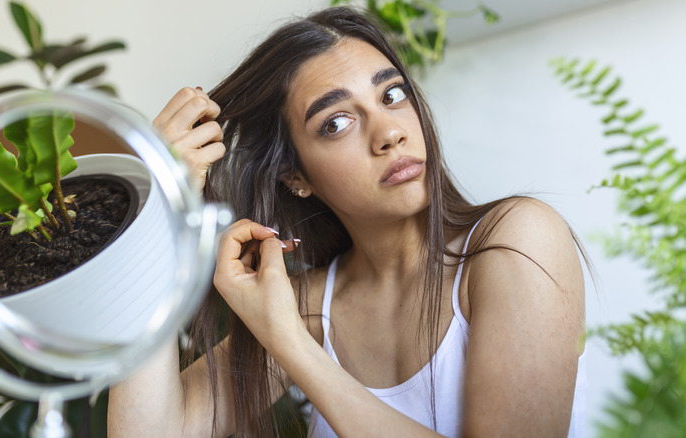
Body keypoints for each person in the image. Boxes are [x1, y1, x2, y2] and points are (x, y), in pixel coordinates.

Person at [108, 6, 587, 437]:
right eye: (336, 122)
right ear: (296, 176)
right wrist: (155, 215)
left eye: (392, 94)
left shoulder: (517, 240)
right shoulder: (306, 304)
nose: (390, 133)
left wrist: (290, 342)